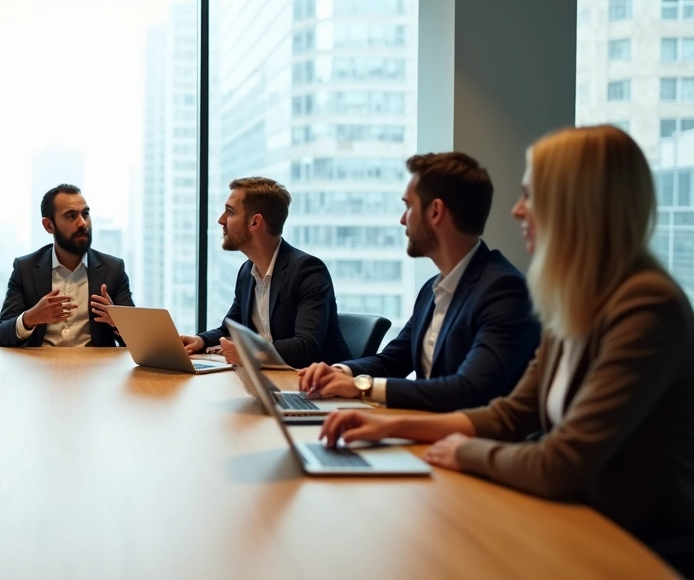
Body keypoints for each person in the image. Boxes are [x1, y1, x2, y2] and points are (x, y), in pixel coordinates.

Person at [320, 125, 694, 541]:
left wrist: (464, 451)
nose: (517, 210)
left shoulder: (647, 305)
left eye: (530, 195)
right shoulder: (576, 301)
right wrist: (389, 427)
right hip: (573, 520)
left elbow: (561, 462)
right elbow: (510, 415)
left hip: (638, 546)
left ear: (575, 203)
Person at [297, 153, 540, 412]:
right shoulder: (431, 290)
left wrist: (362, 388)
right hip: (424, 428)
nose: (403, 219)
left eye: (409, 206)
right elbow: (393, 361)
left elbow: (468, 390)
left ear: (435, 211)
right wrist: (339, 372)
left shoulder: (504, 290)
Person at [183, 177, 349, 367]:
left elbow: (306, 347)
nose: (221, 220)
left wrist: (250, 352)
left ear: (255, 222)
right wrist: (200, 340)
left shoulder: (308, 271)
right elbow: (230, 329)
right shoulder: (247, 272)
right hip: (268, 378)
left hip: (317, 381)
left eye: (230, 212)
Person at [0, 184, 134, 347]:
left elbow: (137, 339)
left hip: (95, 362)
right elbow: (2, 335)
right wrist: (30, 318)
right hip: (40, 362)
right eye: (71, 216)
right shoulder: (25, 269)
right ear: (49, 225)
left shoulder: (113, 269)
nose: (83, 223)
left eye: (85, 214)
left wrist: (117, 321)